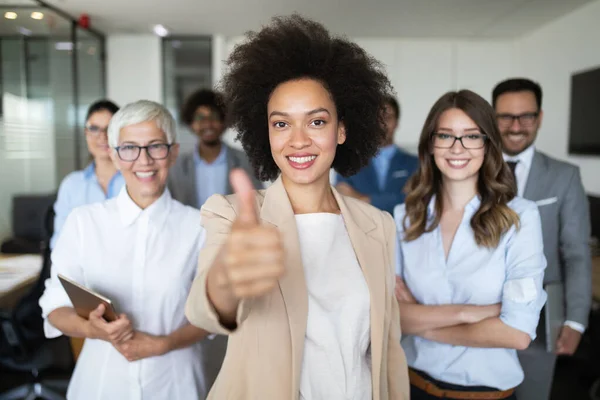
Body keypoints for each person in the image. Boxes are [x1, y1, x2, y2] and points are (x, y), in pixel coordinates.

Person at [184, 14, 409, 400]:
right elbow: (205, 311)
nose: (298, 141)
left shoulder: (378, 225)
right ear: (264, 131)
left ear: (341, 129)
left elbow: (386, 349)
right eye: (282, 124)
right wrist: (227, 275)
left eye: (317, 121)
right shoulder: (231, 213)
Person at [39, 100, 210, 399]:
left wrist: (164, 343)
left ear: (172, 152)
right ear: (115, 155)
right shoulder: (84, 222)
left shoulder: (199, 227)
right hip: (102, 384)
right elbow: (54, 307)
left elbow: (212, 315)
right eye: (129, 148)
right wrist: (95, 330)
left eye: (155, 146)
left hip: (174, 384)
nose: (143, 160)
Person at [394, 90, 547, 400]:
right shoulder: (405, 217)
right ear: (430, 144)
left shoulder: (521, 217)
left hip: (486, 393)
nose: (457, 148)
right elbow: (391, 315)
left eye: (472, 136)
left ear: (488, 144)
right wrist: (471, 313)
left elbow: (516, 334)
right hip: (413, 385)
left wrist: (424, 324)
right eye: (446, 136)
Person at [492, 78, 592, 400]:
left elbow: (576, 253)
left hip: (540, 316)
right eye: (506, 116)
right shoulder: (469, 167)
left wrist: (575, 321)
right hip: (477, 310)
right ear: (492, 118)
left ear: (540, 118)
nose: (516, 126)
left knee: (532, 394)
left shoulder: (565, 175)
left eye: (526, 116)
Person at [168, 89, 261, 209]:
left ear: (224, 121)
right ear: (191, 123)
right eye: (200, 118)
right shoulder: (176, 166)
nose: (208, 124)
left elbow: (258, 203)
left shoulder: (246, 161)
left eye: (214, 117)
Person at [51, 100, 125, 248]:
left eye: (109, 128)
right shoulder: (71, 185)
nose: (102, 136)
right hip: (82, 269)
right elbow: (60, 244)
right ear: (86, 134)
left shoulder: (136, 180)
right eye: (94, 128)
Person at [335, 96, 418, 214]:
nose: (381, 124)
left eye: (387, 117)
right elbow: (342, 203)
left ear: (397, 123)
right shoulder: (348, 162)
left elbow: (413, 202)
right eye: (376, 118)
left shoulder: (415, 164)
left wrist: (362, 199)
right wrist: (397, 199)